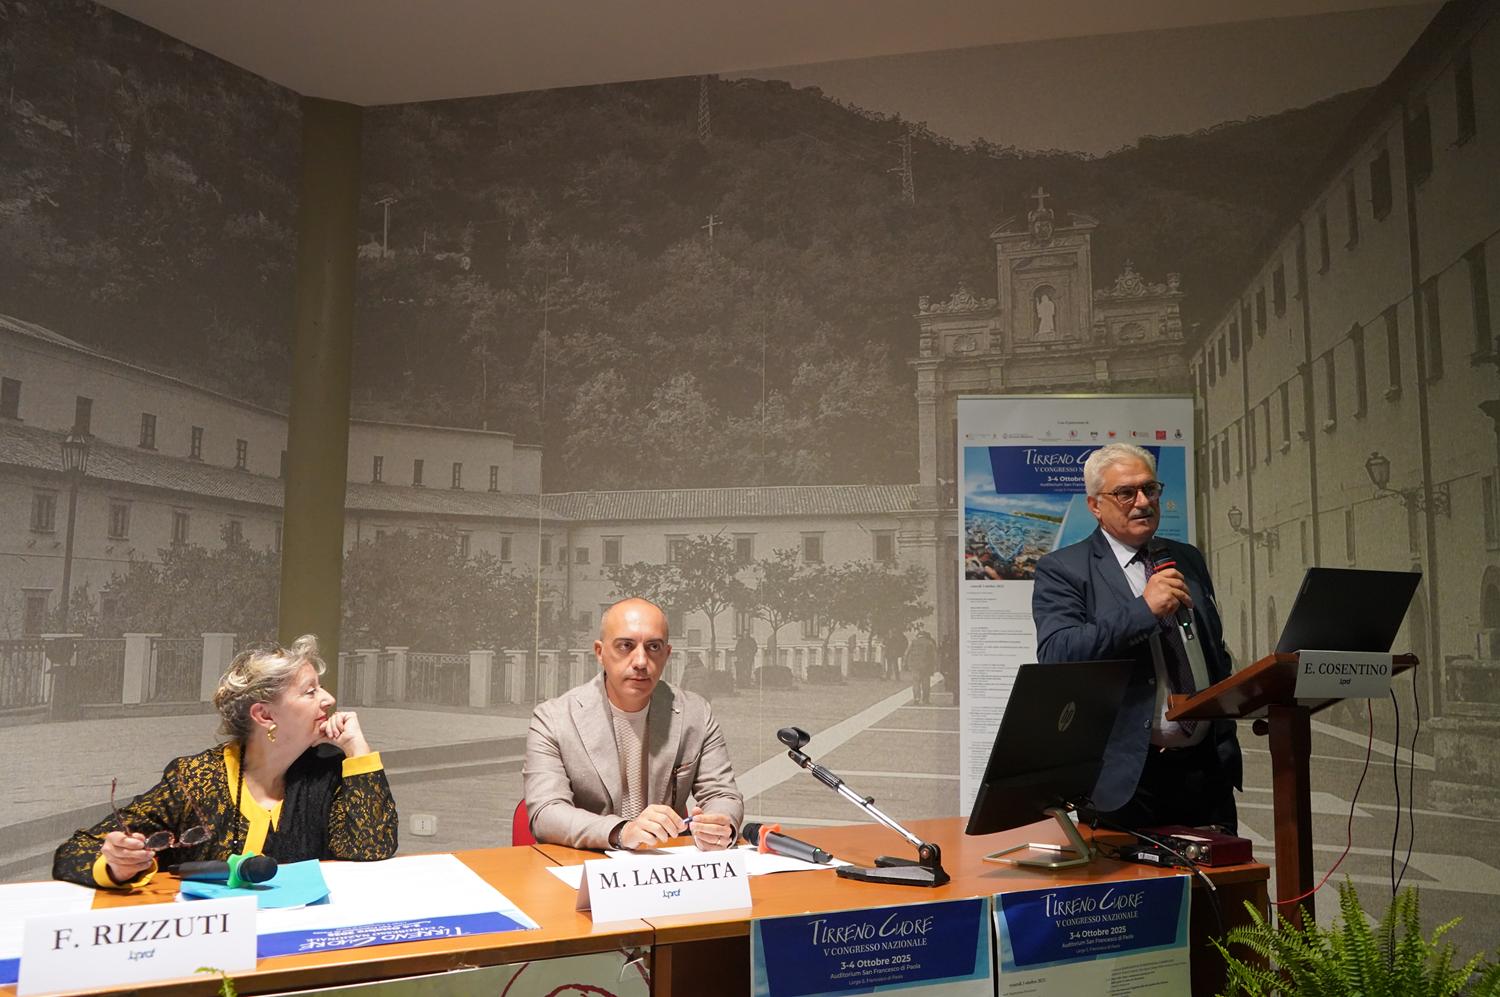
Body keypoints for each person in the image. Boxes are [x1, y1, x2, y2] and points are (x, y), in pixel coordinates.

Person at [54, 636, 397, 888]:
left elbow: (371, 847)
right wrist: (116, 865)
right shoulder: (196, 779)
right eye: (310, 691)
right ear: (265, 715)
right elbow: (73, 852)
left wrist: (358, 750)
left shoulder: (328, 769)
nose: (329, 699)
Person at [1032, 443, 1242, 832]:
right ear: (1095, 506)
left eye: (1150, 489)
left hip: (1207, 772)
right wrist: (1144, 611)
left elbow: (1211, 650)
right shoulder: (1063, 568)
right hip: (1127, 778)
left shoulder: (1187, 558)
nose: (1143, 502)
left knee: (1224, 874)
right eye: (1126, 493)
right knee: (1131, 875)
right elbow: (1057, 652)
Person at [524, 597, 743, 851]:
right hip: (587, 861)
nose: (640, 661)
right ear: (600, 652)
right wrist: (622, 831)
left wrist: (720, 825)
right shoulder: (553, 719)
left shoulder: (696, 713)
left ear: (667, 654)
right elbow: (546, 812)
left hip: (664, 863)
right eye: (625, 646)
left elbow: (722, 795)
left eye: (653, 647)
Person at [906, 626, 936, 705]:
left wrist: (905, 663)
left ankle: (916, 698)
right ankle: (925, 699)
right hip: (926, 665)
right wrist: (934, 666)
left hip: (915, 665)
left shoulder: (913, 642)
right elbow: (933, 655)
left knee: (916, 682)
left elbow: (907, 653)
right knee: (926, 682)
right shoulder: (929, 643)